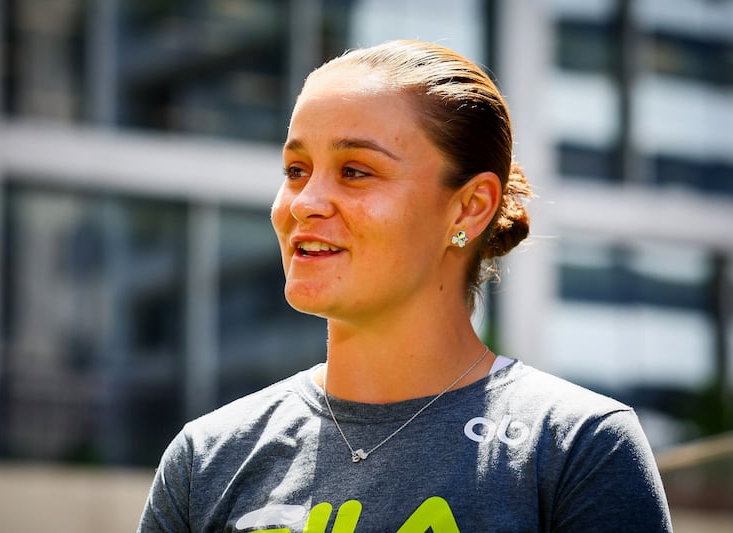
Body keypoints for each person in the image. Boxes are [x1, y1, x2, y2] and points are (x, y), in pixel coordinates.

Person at [138, 40, 672, 532]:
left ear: (469, 206)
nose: (303, 203)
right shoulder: (207, 458)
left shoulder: (576, 447)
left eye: (355, 171)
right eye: (297, 169)